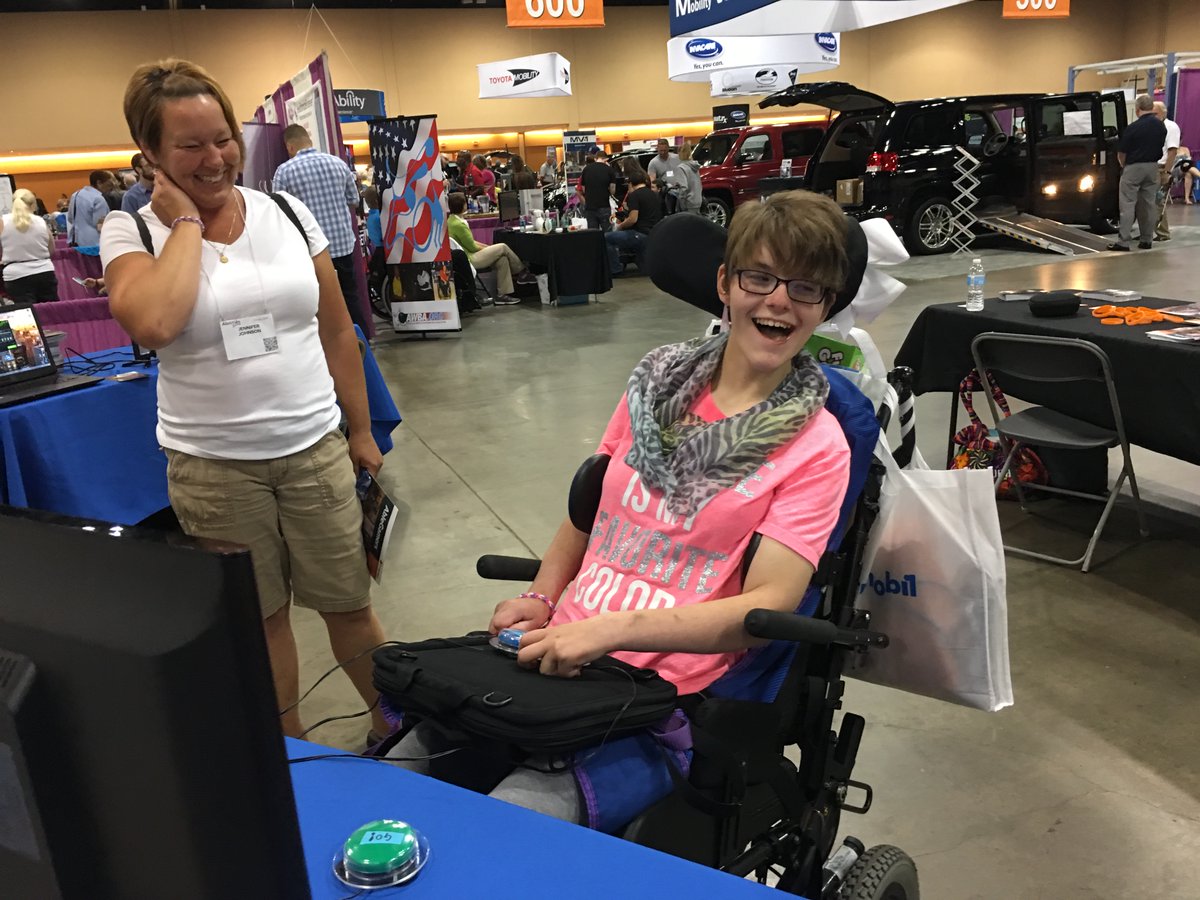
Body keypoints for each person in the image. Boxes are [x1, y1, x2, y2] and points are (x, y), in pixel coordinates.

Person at [387, 190, 853, 829]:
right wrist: (544, 598)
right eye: (760, 277)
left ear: (824, 307)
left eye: (806, 288)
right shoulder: (656, 382)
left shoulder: (817, 444)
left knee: (506, 824)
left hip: (664, 696)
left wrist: (612, 630)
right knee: (395, 775)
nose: (779, 301)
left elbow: (763, 608)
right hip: (557, 649)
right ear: (725, 282)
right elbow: (589, 514)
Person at [99, 57, 391, 745]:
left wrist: (361, 430)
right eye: (190, 145)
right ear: (152, 154)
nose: (215, 157)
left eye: (222, 137)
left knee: (349, 604)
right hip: (216, 465)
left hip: (315, 448)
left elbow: (335, 332)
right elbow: (155, 323)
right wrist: (187, 228)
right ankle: (290, 758)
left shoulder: (285, 211)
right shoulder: (132, 233)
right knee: (261, 622)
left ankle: (397, 727)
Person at [272, 124, 369, 335]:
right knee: (350, 295)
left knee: (318, 301)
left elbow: (278, 211)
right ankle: (362, 341)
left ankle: (329, 344)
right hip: (342, 244)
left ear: (289, 146)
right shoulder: (338, 163)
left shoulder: (285, 171)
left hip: (310, 250)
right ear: (309, 140)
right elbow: (353, 199)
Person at [446, 191, 530, 305]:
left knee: (502, 259)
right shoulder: (458, 225)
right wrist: (489, 249)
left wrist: (489, 248)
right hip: (470, 259)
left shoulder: (452, 221)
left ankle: (502, 295)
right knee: (503, 247)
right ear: (463, 205)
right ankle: (522, 271)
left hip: (468, 255)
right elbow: (473, 247)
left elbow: (471, 242)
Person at [1109, 94, 1166, 252]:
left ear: (1137, 109)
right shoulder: (1161, 126)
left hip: (1134, 167)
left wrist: (1123, 165)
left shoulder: (1133, 128)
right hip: (1153, 167)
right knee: (1148, 204)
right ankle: (1147, 239)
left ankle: (1123, 242)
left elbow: (1122, 151)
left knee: (1127, 204)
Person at [0, 188, 59, 303]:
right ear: (33, 204)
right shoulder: (40, 221)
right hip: (44, 271)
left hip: (15, 275)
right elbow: (51, 249)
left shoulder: (3, 221)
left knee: (26, 315)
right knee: (51, 312)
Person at [605, 168, 662, 275]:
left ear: (630, 184)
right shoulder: (653, 194)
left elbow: (633, 219)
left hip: (639, 234)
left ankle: (615, 269)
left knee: (606, 238)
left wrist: (620, 226)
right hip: (653, 233)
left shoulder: (634, 195)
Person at [1153, 101, 1181, 242]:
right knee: (1148, 202)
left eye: (1155, 113)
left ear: (1163, 113)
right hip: (1151, 166)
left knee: (1158, 201)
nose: (1153, 116)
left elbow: (1172, 151)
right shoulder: (1153, 126)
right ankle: (1149, 231)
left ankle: (1163, 233)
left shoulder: (1171, 127)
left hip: (1162, 167)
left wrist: (1167, 172)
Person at [67, 170, 116, 247]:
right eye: (109, 185)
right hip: (94, 242)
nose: (110, 189)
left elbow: (70, 218)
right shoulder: (98, 199)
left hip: (75, 240)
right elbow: (100, 225)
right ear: (99, 183)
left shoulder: (75, 195)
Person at [578, 150, 616, 230]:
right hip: (604, 206)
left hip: (590, 207)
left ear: (596, 158)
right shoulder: (609, 170)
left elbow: (584, 189)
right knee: (607, 233)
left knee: (593, 235)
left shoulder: (586, 169)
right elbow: (613, 191)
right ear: (606, 159)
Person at [646, 139, 685, 212]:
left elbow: (684, 170)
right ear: (657, 149)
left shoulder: (677, 158)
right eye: (661, 151)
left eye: (665, 150)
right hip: (666, 193)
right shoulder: (653, 163)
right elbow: (652, 181)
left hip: (680, 190)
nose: (663, 153)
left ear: (668, 148)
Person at [677, 144, 704, 215]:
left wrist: (682, 204)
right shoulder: (695, 166)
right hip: (698, 200)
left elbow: (684, 188)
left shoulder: (681, 168)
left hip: (689, 203)